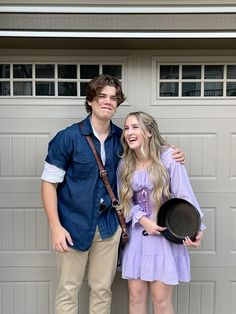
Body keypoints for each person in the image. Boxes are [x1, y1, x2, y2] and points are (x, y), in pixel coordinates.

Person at [41, 75, 185, 314]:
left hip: (109, 225)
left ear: (118, 103)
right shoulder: (67, 138)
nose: (108, 102)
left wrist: (171, 152)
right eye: (102, 96)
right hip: (72, 225)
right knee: (68, 289)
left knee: (102, 290)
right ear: (90, 100)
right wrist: (56, 226)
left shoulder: (122, 139)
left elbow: (148, 150)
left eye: (113, 98)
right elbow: (48, 184)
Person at [117, 111, 206, 314]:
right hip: (137, 239)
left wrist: (196, 229)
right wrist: (143, 220)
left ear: (149, 132)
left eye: (135, 127)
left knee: (161, 301)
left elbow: (185, 196)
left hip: (164, 240)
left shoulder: (169, 158)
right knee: (135, 298)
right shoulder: (124, 164)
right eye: (126, 128)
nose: (129, 132)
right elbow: (123, 203)